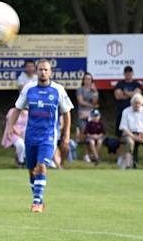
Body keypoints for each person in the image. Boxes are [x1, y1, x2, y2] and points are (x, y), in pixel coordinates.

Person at [6, 59, 73, 212]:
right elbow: (17, 108)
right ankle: (39, 197)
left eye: (46, 70)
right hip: (30, 136)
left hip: (48, 136)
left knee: (42, 166)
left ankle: (36, 202)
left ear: (50, 72)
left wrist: (66, 134)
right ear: (36, 71)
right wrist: (11, 126)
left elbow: (67, 112)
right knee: (31, 170)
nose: (43, 72)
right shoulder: (29, 89)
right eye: (40, 69)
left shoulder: (58, 90)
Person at [119, 93, 143, 169]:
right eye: (135, 103)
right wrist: (134, 137)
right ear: (132, 103)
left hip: (142, 134)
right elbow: (124, 128)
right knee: (130, 143)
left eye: (139, 103)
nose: (137, 105)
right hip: (129, 134)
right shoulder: (126, 111)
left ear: (141, 103)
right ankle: (128, 165)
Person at [75, 72, 98, 161]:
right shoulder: (80, 90)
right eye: (86, 79)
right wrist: (91, 105)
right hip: (82, 114)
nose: (87, 81)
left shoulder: (94, 91)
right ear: (83, 80)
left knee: (92, 135)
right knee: (85, 134)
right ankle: (86, 154)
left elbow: (95, 102)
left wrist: (95, 92)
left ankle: (93, 154)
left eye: (89, 79)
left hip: (92, 115)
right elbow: (81, 102)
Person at [113, 65, 142, 136]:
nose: (128, 74)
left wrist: (125, 93)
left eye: (129, 72)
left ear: (132, 73)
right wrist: (132, 94)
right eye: (126, 73)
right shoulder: (120, 84)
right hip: (121, 111)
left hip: (134, 111)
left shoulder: (136, 84)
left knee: (134, 132)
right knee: (119, 133)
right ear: (124, 74)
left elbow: (137, 96)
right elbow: (117, 96)